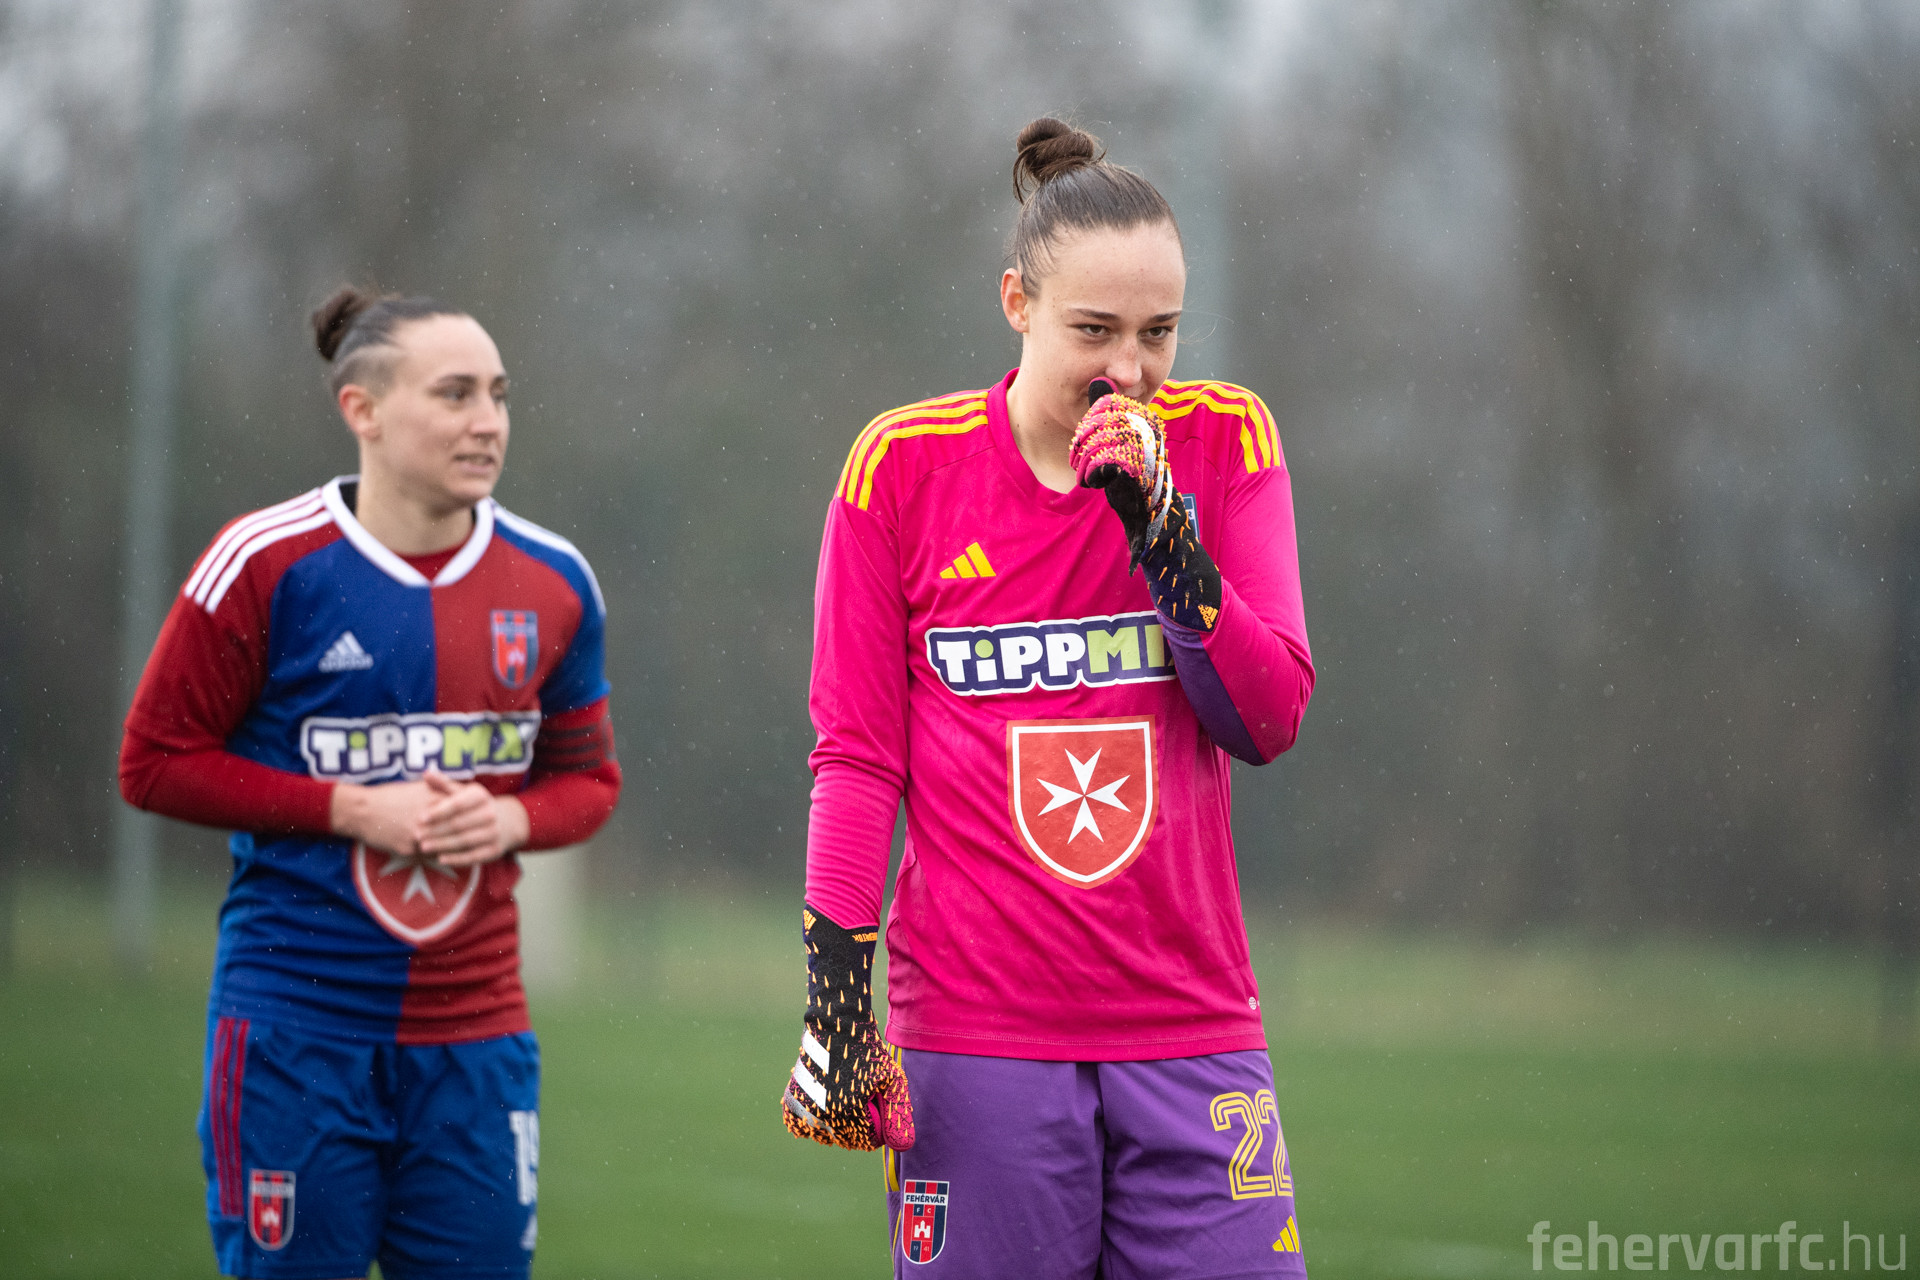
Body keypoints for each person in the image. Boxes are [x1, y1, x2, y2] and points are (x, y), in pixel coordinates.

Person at [780, 116, 1316, 1278]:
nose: (1130, 369)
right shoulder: (901, 468)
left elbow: (1267, 718)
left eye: (1159, 332)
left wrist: (1169, 544)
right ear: (1016, 302)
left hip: (1191, 1025)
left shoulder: (1225, 440)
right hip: (977, 1041)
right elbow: (858, 760)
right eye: (1095, 330)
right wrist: (835, 997)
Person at [119, 287, 620, 1280]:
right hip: (296, 1033)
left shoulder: (554, 580)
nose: (488, 421)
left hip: (477, 1045)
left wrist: (509, 820)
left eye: (499, 395)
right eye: (455, 394)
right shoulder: (266, 564)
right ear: (363, 410)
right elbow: (155, 762)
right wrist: (350, 807)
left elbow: (590, 781)